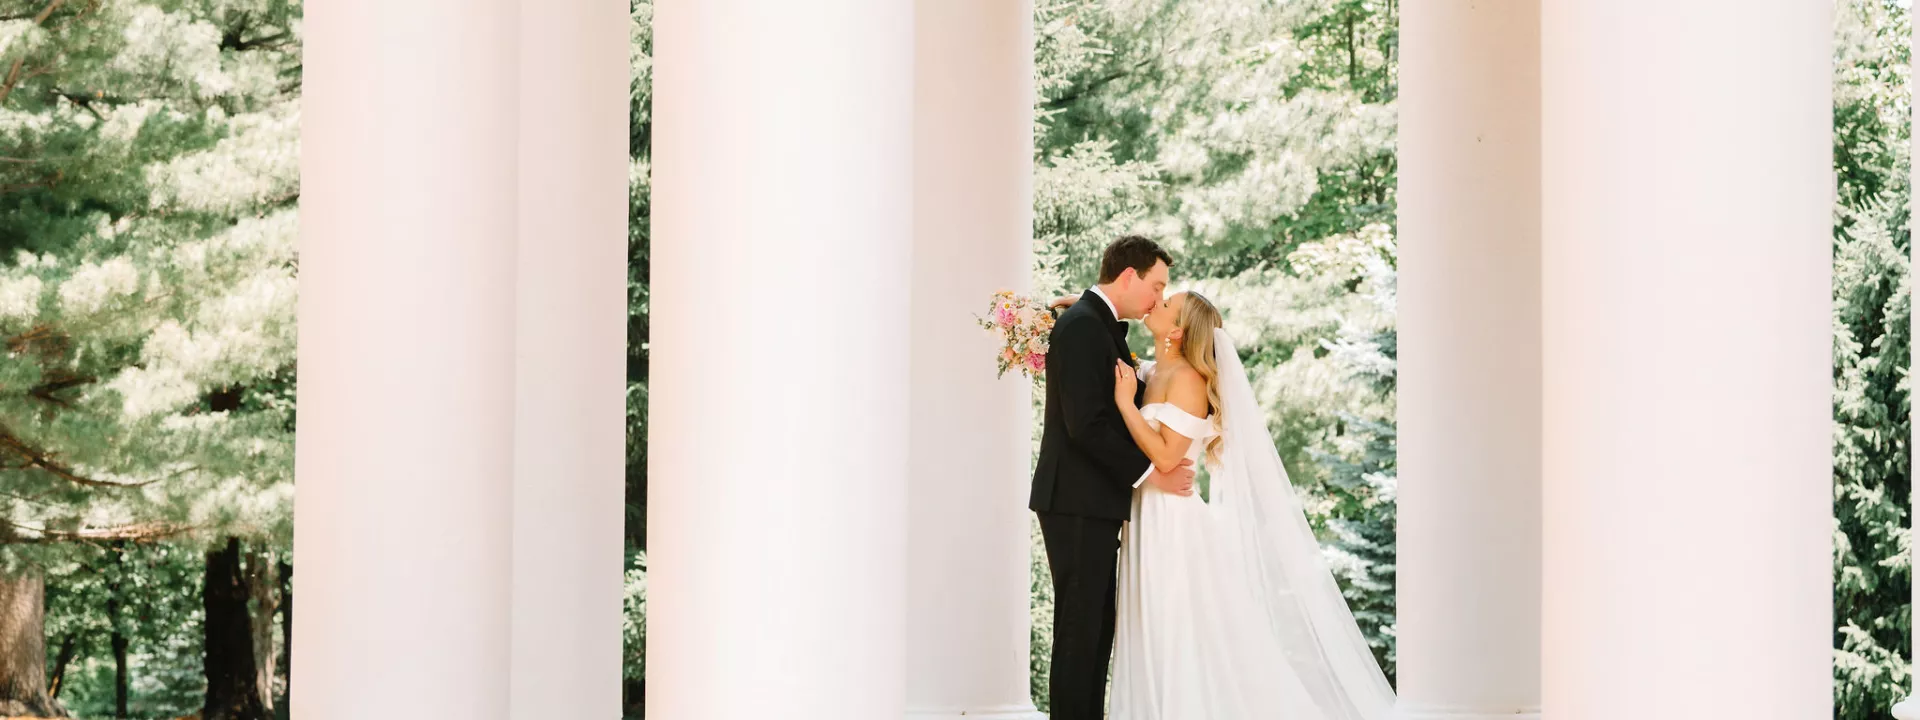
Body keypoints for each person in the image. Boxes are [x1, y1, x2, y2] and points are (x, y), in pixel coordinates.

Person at [1052, 289, 1398, 719]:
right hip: (1146, 516)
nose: (1154, 304)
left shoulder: (1190, 381)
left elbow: (1164, 456)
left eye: (1165, 304)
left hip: (1172, 521)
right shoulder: (1157, 370)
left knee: (1173, 626)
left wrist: (1126, 405)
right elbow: (1106, 360)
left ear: (1177, 331)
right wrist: (1083, 311)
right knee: (1149, 627)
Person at [1029, 235, 1197, 720]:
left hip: (1090, 499)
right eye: (1156, 285)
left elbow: (1128, 382)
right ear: (1129, 276)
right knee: (1082, 632)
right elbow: (1088, 425)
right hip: (1076, 499)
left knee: (1096, 628)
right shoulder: (1085, 326)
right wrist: (1151, 474)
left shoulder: (1098, 324)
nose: (1158, 300)